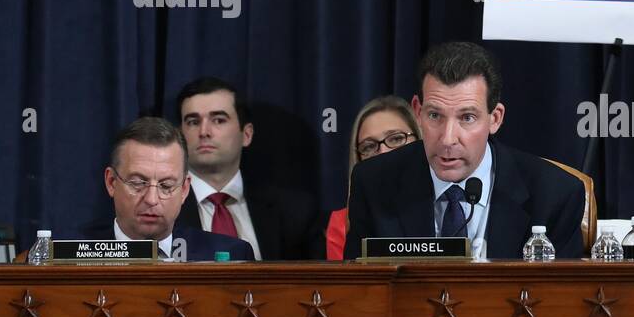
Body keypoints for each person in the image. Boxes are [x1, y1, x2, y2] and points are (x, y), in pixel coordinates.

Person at [343, 42, 585, 259]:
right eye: (435, 115)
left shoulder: (554, 195)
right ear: (417, 111)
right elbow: (360, 295)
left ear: (495, 118)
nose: (448, 139)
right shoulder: (374, 184)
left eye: (467, 117)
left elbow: (559, 303)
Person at [174, 76, 319, 260]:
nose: (204, 132)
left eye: (218, 120)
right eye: (193, 122)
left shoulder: (294, 212)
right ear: (179, 135)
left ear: (247, 134)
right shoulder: (160, 209)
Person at [90, 117, 253, 261]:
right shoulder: (68, 254)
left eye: (166, 185)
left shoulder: (234, 255)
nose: (152, 199)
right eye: (138, 183)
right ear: (111, 182)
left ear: (184, 189)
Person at [320, 96, 419, 260]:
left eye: (396, 139)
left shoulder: (448, 205)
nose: (383, 153)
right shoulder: (342, 223)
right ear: (358, 159)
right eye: (369, 146)